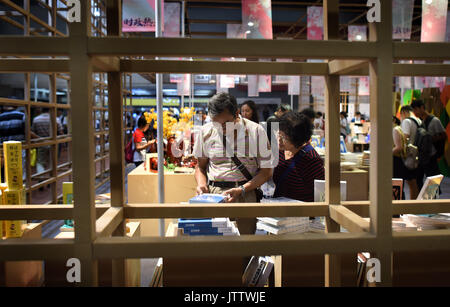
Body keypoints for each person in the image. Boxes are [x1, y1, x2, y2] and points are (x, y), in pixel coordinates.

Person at [193, 92, 273, 235]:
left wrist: (242, 190)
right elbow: (200, 167)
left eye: (224, 124)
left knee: (245, 246)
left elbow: (266, 172)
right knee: (216, 247)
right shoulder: (205, 132)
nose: (220, 128)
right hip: (215, 196)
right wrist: (201, 184)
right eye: (215, 123)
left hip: (245, 193)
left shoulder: (256, 131)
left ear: (236, 113)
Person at [273, 112, 324, 202]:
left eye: (284, 138)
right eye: (278, 135)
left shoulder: (311, 159)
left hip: (301, 211)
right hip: (280, 208)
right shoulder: (280, 150)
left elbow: (320, 195)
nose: (279, 140)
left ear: (297, 138)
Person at [411, 99, 446, 190]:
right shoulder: (420, 121)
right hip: (422, 155)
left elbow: (443, 135)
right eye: (413, 110)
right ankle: (423, 199)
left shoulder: (434, 120)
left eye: (416, 109)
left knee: (433, 180)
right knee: (418, 178)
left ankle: (433, 201)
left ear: (422, 108)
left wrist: (430, 139)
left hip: (431, 155)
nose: (415, 112)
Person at [392, 116, 418, 199]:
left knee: (397, 187)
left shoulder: (395, 130)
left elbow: (398, 147)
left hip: (396, 161)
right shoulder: (398, 129)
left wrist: (385, 154)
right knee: (399, 186)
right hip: (400, 160)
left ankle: (399, 208)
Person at [32, 108, 63, 174]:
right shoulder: (56, 119)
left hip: (41, 143)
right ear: (50, 110)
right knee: (52, 160)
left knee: (40, 161)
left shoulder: (36, 119)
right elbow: (60, 132)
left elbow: (33, 132)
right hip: (53, 143)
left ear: (41, 110)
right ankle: (51, 177)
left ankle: (41, 176)